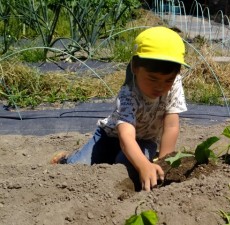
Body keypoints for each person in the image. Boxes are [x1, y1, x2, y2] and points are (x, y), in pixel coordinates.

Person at [51, 26, 189, 191]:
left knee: (124, 169)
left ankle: (117, 159)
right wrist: (144, 165)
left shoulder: (174, 84)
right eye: (152, 79)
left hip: (145, 140)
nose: (160, 86)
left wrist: (164, 162)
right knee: (77, 166)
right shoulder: (128, 94)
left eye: (168, 80)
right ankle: (65, 158)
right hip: (109, 137)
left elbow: (171, 125)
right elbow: (126, 136)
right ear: (135, 68)